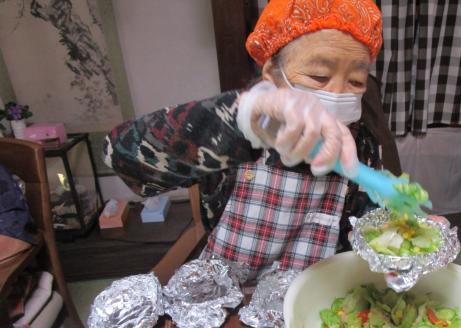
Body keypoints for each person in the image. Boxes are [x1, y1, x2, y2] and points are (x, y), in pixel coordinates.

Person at [104, 0, 394, 280]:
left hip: (313, 299)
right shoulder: (231, 132)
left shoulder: (361, 146)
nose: (338, 93)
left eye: (356, 81)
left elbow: (364, 227)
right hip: (228, 296)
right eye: (319, 76)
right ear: (272, 75)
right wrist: (244, 120)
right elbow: (120, 157)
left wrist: (395, 232)